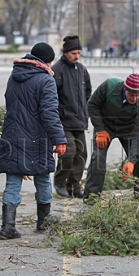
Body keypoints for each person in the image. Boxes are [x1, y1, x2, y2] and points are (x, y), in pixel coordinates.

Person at [0, 42, 67, 239]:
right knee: (42, 178)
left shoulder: (14, 75)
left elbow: (10, 102)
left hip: (12, 134)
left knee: (13, 181)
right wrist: (59, 139)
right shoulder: (45, 80)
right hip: (37, 138)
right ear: (48, 61)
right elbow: (49, 113)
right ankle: (43, 223)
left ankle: (7, 227)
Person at [83, 73, 139, 201]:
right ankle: (91, 198)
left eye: (138, 95)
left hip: (128, 130)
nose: (134, 98)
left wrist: (131, 160)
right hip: (105, 127)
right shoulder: (109, 86)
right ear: (124, 88)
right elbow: (92, 105)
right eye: (131, 94)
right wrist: (100, 130)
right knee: (98, 158)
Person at [52, 35, 92, 198]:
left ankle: (74, 185)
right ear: (65, 52)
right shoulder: (57, 70)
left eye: (79, 53)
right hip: (63, 121)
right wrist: (56, 120)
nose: (76, 56)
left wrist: (86, 112)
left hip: (79, 121)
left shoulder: (82, 70)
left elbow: (88, 92)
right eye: (73, 53)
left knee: (81, 154)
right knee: (69, 152)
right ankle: (60, 183)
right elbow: (51, 97)